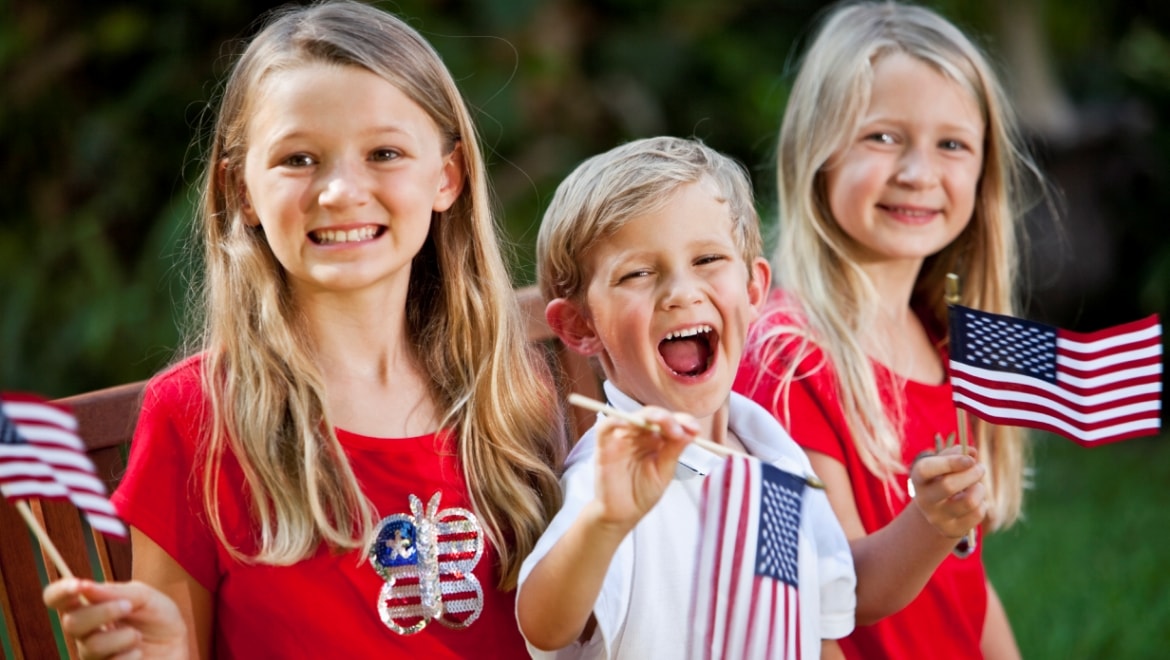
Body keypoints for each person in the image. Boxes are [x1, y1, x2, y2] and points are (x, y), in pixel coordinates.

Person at [43, 1, 567, 657]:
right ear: (241, 192)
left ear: (447, 177)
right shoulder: (197, 418)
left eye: (383, 152)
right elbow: (167, 646)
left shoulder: (505, 392)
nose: (341, 191)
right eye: (298, 159)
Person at [733, 2, 1043, 658]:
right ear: (816, 151)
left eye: (952, 144)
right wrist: (930, 524)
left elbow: (966, 581)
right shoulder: (787, 356)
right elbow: (821, 599)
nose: (918, 173)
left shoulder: (948, 344)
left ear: (984, 170)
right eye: (882, 136)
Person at [515, 136, 856, 659]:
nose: (680, 291)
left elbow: (813, 632)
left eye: (708, 258)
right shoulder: (609, 478)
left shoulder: (779, 460)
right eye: (638, 273)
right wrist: (605, 522)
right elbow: (546, 626)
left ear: (754, 289)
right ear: (581, 325)